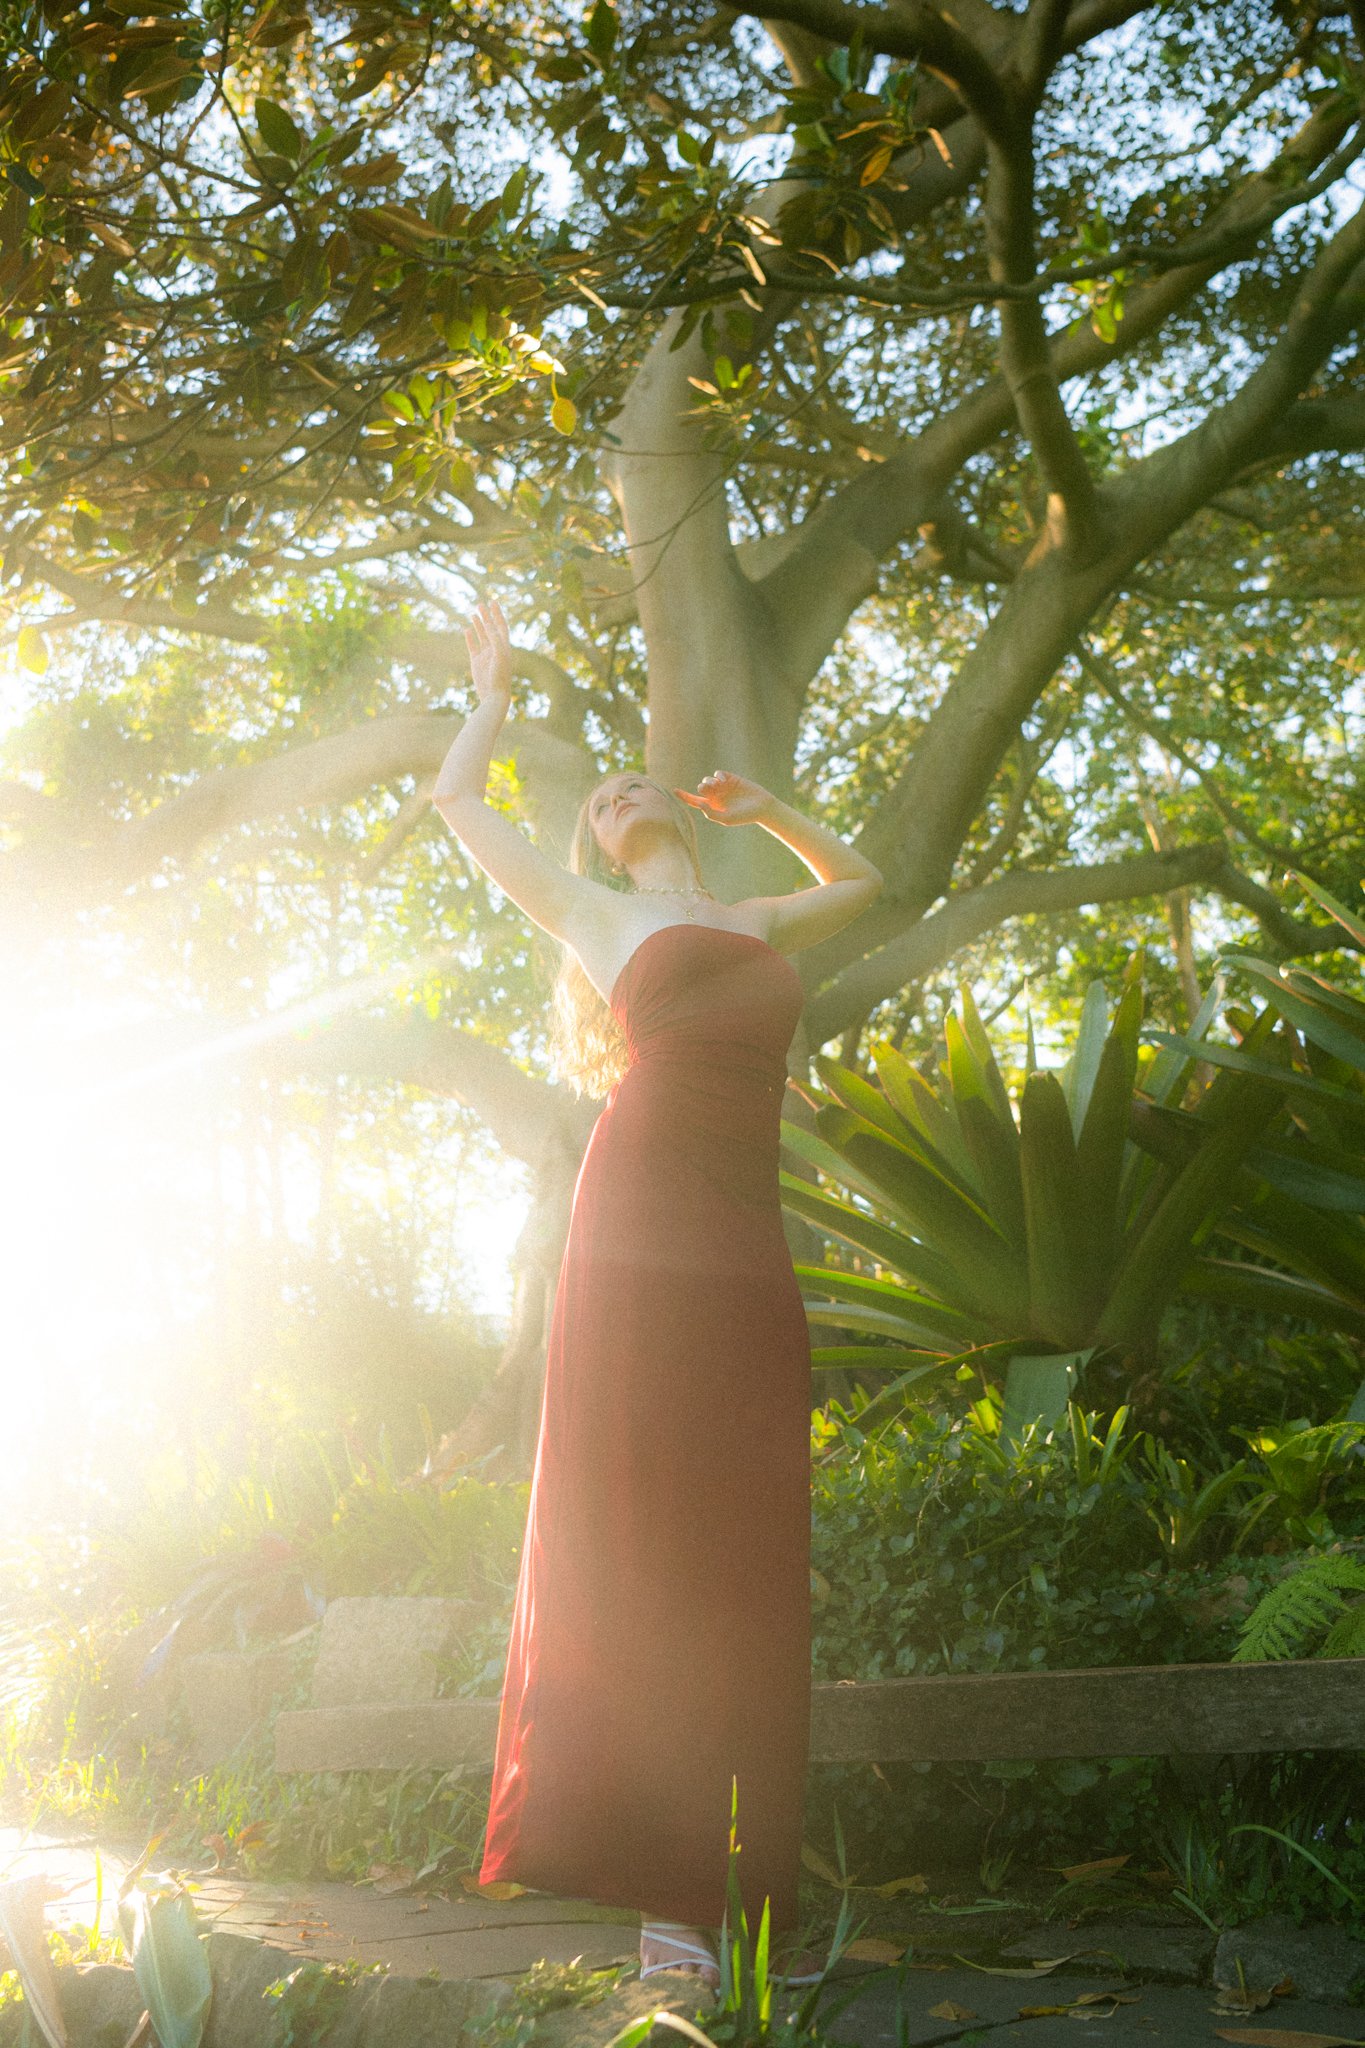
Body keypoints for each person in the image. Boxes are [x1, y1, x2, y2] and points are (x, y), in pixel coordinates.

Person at [432, 598, 883, 1996]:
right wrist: (491, 701)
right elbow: (459, 806)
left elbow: (866, 879)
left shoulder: (752, 913)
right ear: (593, 845)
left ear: (680, 808)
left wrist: (772, 808)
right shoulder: (594, 913)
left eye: (634, 780)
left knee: (737, 1528)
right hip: (637, 1218)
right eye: (599, 799)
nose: (617, 793)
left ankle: (738, 1875)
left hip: (743, 1231)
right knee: (642, 1521)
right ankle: (665, 1895)